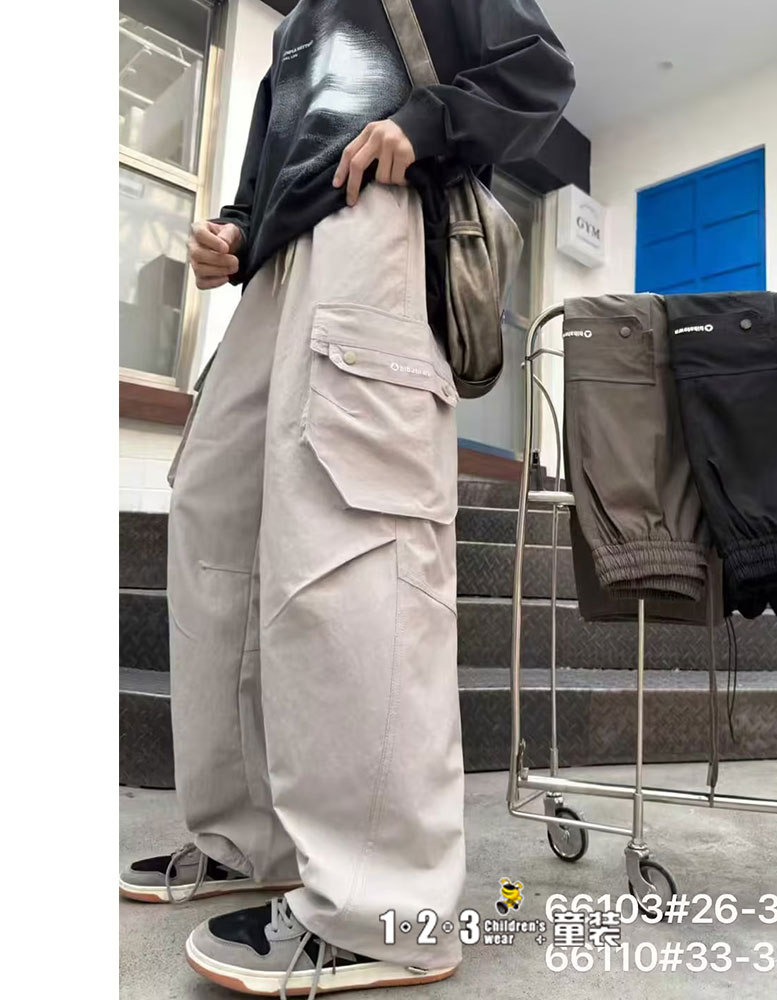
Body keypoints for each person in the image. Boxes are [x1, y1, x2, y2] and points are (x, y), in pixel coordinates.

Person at [118, 0, 574, 995]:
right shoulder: (298, 27)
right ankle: (250, 839)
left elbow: (537, 71)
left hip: (377, 234)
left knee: (356, 541)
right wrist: (234, 232)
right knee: (215, 522)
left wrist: (425, 124)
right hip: (278, 273)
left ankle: (385, 911)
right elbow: (263, 179)